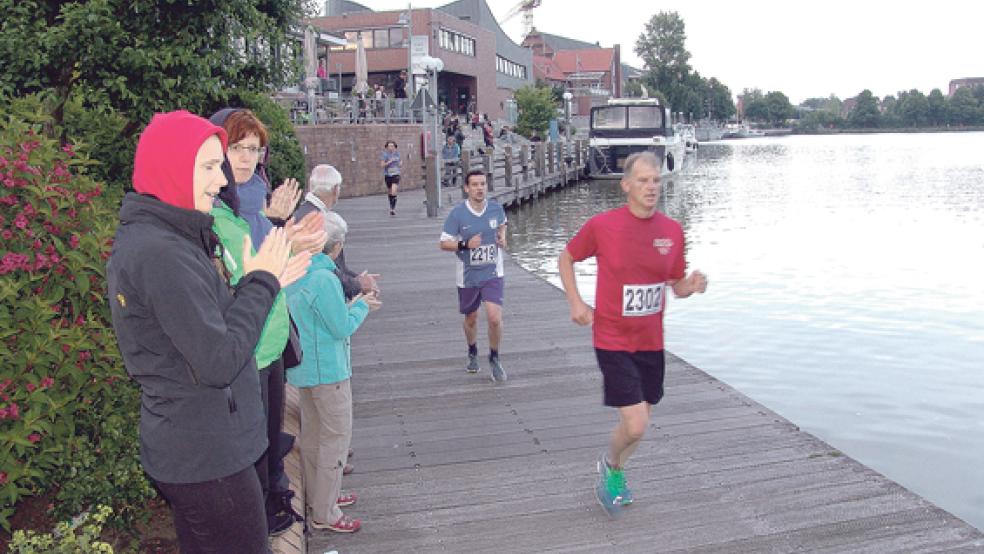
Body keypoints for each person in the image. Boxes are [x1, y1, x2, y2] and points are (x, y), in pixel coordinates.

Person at [107, 110, 312, 552]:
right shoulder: (162, 254)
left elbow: (203, 322)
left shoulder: (171, 238)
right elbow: (217, 359)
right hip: (206, 456)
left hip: (201, 447)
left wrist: (266, 278)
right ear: (169, 168)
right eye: (207, 166)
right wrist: (262, 281)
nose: (221, 181)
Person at [557, 151, 708, 517]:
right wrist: (575, 302)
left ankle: (615, 470)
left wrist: (691, 285)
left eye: (655, 180)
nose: (651, 187)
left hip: (651, 343)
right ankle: (611, 468)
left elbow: (675, 285)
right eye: (642, 180)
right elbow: (566, 257)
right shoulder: (603, 226)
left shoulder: (672, 231)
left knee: (639, 423)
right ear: (626, 186)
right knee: (637, 423)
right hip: (612, 338)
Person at [212, 108, 318, 534]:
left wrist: (294, 239)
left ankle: (275, 502)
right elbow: (246, 277)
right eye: (236, 147)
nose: (245, 157)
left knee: (272, 438)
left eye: (254, 149)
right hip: (245, 350)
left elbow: (273, 271)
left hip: (270, 340)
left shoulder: (254, 198)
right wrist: (279, 228)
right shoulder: (218, 214)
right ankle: (262, 516)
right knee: (253, 447)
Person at [286, 211, 381, 534]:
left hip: (303, 370)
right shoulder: (325, 279)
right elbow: (340, 327)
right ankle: (326, 513)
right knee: (335, 440)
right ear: (336, 247)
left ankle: (321, 497)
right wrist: (362, 305)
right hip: (328, 370)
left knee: (313, 437)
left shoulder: (296, 269)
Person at [439, 169, 508, 382]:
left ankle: (495, 357)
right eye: (475, 185)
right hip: (468, 275)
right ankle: (472, 351)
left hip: (493, 271)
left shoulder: (496, 209)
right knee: (471, 318)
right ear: (467, 188)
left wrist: (502, 237)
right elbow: (443, 243)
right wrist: (465, 244)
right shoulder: (458, 214)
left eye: (483, 184)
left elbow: (503, 223)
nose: (480, 188)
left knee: (495, 318)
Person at [293, 164, 379, 301]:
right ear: (335, 189)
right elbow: (329, 268)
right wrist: (358, 284)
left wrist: (357, 279)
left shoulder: (302, 213)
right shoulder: (318, 221)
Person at [380, 140, 402, 216]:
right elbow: (382, 165)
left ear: (395, 147)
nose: (391, 148)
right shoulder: (385, 155)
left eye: (392, 146)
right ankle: (391, 206)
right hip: (388, 175)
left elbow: (400, 163)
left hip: (396, 174)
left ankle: (393, 209)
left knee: (393, 190)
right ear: (386, 147)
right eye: (389, 146)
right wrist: (389, 161)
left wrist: (400, 164)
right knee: (390, 191)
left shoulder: (397, 154)